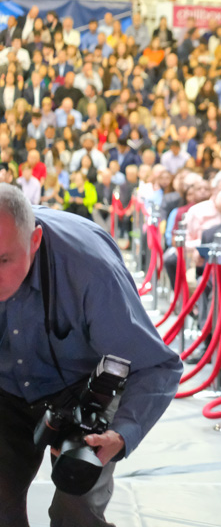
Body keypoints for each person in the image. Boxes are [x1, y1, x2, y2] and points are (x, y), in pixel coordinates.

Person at [0, 185, 182, 526]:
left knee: (75, 512)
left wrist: (121, 434)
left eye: (3, 260)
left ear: (35, 241)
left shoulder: (90, 270)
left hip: (86, 389)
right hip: (6, 388)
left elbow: (157, 365)